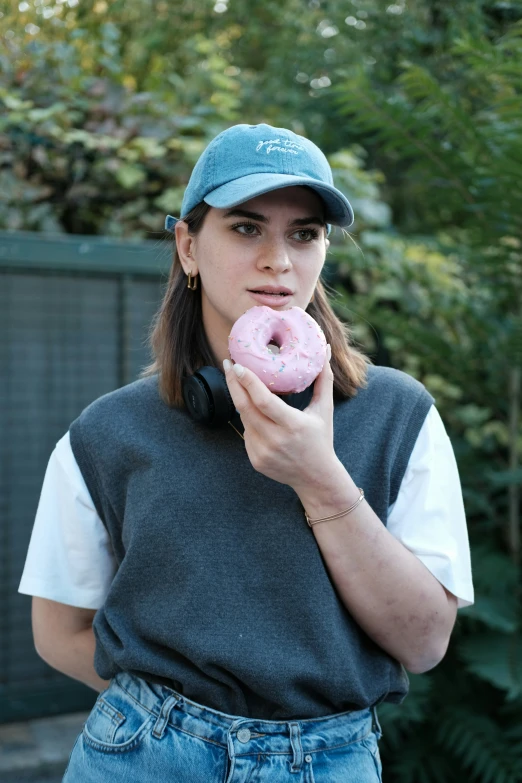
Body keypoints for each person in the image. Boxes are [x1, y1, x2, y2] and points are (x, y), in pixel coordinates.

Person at [19, 123, 474, 782]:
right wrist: (170, 719)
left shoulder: (399, 416)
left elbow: (426, 641)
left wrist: (321, 479)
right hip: (143, 756)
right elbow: (58, 633)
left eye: (304, 232)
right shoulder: (108, 433)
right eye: (245, 227)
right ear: (188, 246)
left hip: (331, 762)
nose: (279, 260)